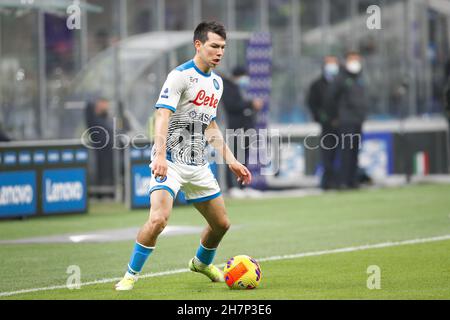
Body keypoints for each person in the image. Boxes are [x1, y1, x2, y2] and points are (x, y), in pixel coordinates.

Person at [115, 21, 252, 291]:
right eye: (214, 46)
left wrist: (232, 160)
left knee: (221, 224)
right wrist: (160, 155)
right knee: (158, 220)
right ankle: (130, 275)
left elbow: (210, 126)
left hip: (198, 164)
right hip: (171, 162)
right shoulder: (179, 76)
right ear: (198, 45)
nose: (219, 52)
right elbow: (162, 115)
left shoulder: (216, 83)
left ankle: (201, 263)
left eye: (223, 47)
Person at [221, 66, 263, 196]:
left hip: (245, 127)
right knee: (232, 157)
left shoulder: (240, 88)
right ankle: (232, 187)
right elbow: (232, 106)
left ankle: (243, 185)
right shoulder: (227, 88)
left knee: (243, 156)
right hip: (235, 127)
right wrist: (250, 104)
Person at [331, 52, 368, 189]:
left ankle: (353, 180)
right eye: (352, 59)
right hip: (346, 121)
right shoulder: (341, 78)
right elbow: (331, 98)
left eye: (357, 59)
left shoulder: (360, 78)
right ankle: (343, 181)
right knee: (345, 152)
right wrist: (336, 117)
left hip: (358, 120)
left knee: (355, 151)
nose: (355, 62)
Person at [307, 56, 340, 190]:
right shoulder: (317, 85)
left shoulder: (341, 82)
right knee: (327, 155)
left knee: (346, 154)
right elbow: (312, 104)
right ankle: (328, 182)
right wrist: (323, 118)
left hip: (344, 123)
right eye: (329, 63)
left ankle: (344, 181)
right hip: (327, 125)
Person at [84, 97, 114, 188]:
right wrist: (98, 105)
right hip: (98, 150)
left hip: (110, 151)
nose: (105, 107)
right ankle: (101, 192)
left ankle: (108, 191)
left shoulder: (104, 119)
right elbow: (89, 106)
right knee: (100, 172)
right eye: (102, 104)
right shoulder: (93, 119)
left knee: (109, 173)